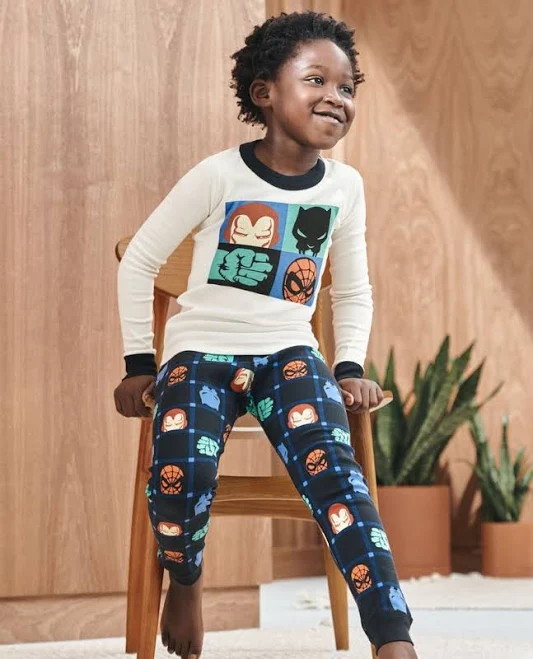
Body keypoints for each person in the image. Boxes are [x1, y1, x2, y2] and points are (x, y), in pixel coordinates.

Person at [114, 10, 417, 659]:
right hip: (201, 353)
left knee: (339, 478)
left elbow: (351, 289)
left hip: (289, 355)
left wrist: (348, 368)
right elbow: (139, 260)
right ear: (264, 93)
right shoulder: (218, 174)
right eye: (315, 80)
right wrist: (139, 362)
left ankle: (392, 637)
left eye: (346, 87)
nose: (335, 97)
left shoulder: (345, 187)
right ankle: (186, 579)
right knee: (181, 471)